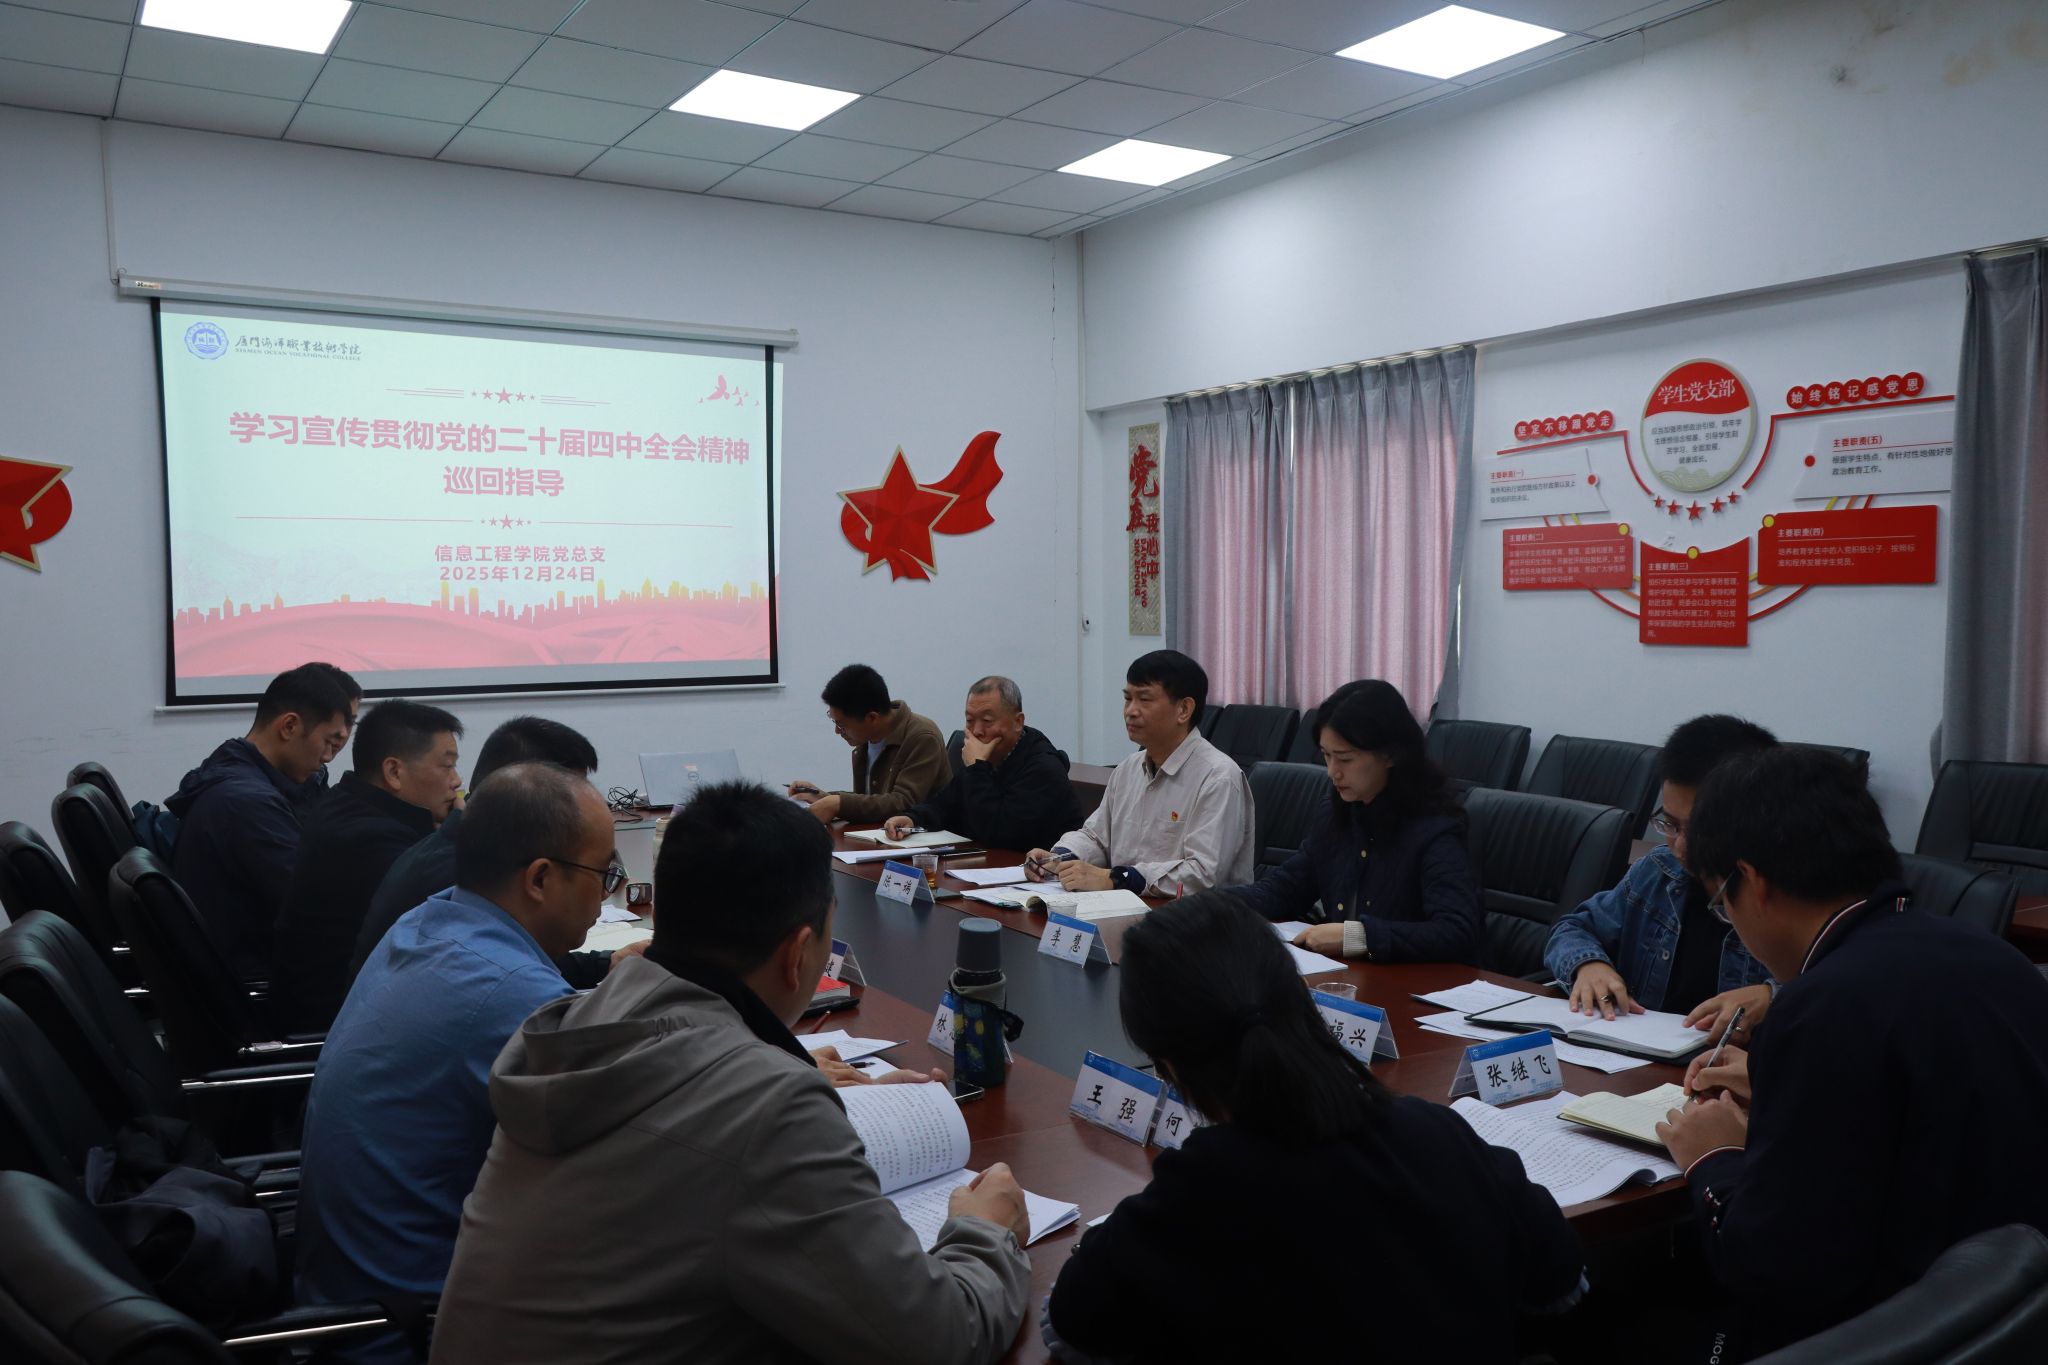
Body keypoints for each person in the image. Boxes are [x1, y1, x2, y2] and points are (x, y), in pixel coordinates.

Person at [431, 781, 1031, 1364]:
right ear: (798, 954)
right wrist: (984, 1232)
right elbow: (940, 1338)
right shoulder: (769, 1110)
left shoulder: (576, 1025)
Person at [1045, 891, 1583, 1362]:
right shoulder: (1437, 1131)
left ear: (1168, 1066)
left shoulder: (1199, 1187)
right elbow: (1562, 1286)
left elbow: (1070, 1330)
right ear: (1303, 1004)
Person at [1656, 747, 2048, 1359]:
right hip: (2008, 1315)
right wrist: (1783, 1090)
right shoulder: (1992, 954)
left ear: (1752, 882)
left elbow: (1771, 1265)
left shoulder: (1821, 1006)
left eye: (1722, 903)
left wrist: (1715, 1157)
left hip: (1891, 1332)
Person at [294, 764, 618, 1365]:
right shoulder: (514, 996)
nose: (605, 893)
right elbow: (633, 1159)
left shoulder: (429, 921)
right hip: (418, 1327)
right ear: (540, 878)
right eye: (605, 874)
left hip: (348, 1297)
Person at [1544, 715, 1777, 1035]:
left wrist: (1772, 996)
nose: (1680, 846)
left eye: (1698, 829)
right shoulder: (1658, 871)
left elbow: (1835, 984)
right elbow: (1572, 928)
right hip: (1641, 1052)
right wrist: (1588, 964)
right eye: (1670, 824)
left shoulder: (1786, 894)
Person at [349, 715, 609, 993]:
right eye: (573, 800)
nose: (579, 817)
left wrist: (606, 963)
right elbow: (510, 976)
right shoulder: (460, 874)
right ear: (522, 790)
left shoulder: (456, 847)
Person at [1231, 680, 1481, 962]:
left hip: (1416, 982)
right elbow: (1287, 888)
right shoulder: (1336, 812)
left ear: (1390, 754)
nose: (1332, 772)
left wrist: (1357, 937)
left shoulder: (1434, 827)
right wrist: (1212, 903)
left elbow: (1456, 933)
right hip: (1346, 974)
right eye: (1326, 756)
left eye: (1345, 759)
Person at [272, 700, 465, 1034]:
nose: (456, 781)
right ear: (394, 772)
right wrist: (460, 830)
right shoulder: (373, 842)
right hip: (336, 1028)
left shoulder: (343, 805)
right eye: (447, 766)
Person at [166, 663, 355, 980]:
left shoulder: (241, 776)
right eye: (330, 742)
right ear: (289, 726)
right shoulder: (247, 804)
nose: (327, 758)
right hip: (253, 978)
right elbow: (319, 905)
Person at [1027, 650, 1252, 896]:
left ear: (1184, 709)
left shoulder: (1218, 776)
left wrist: (1118, 878)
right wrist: (1059, 858)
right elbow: (1096, 837)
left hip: (1195, 915)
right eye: (1128, 699)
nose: (1130, 711)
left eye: (1144, 700)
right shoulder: (1128, 769)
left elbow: (1204, 873)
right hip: (1125, 906)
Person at [882, 676, 1082, 852]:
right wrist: (913, 819)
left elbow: (1000, 833)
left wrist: (977, 768)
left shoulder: (1043, 768)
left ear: (1018, 722)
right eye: (970, 720)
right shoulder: (986, 758)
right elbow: (946, 805)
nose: (977, 731)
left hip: (1035, 873)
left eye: (987, 721)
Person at [787, 663, 952, 825]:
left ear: (872, 718)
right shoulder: (867, 737)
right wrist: (824, 797)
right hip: (880, 834)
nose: (837, 731)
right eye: (834, 721)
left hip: (926, 836)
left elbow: (903, 803)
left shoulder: (922, 737)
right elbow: (872, 800)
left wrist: (838, 804)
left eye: (842, 724)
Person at [297, 660, 364, 804]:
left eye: (350, 722)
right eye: (335, 721)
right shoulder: (254, 797)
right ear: (290, 725)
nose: (344, 733)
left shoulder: (317, 775)